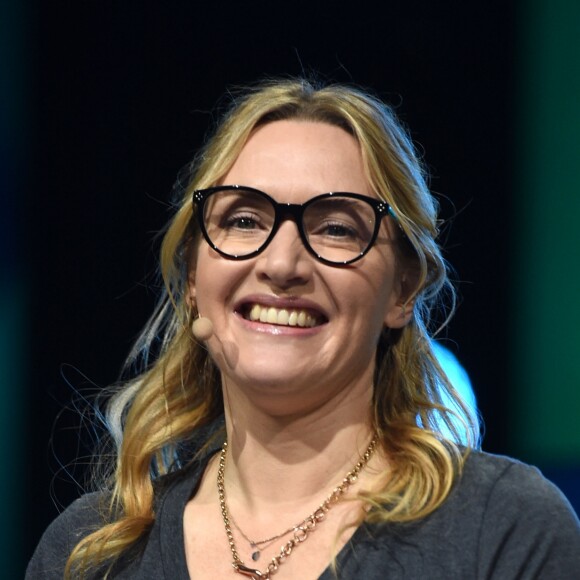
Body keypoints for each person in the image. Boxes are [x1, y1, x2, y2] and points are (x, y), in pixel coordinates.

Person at [27, 78, 579, 579]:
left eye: (337, 228)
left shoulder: (502, 529)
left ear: (403, 289)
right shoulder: (90, 553)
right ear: (194, 276)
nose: (282, 264)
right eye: (243, 220)